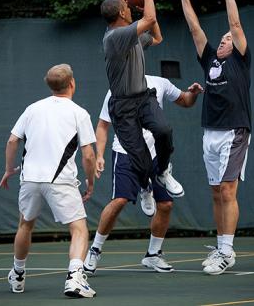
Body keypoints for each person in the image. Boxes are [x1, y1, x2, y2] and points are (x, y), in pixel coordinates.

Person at [83, 75, 203, 274]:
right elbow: (103, 125)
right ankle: (95, 249)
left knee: (165, 204)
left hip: (155, 153)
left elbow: (185, 100)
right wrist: (100, 155)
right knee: (119, 200)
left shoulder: (160, 83)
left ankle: (153, 255)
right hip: (126, 152)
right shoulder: (116, 89)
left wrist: (194, 93)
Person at [175, 0, 251, 275]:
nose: (224, 37)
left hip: (235, 130)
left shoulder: (241, 60)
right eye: (222, 37)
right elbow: (195, 29)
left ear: (235, 45)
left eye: (228, 38)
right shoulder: (211, 60)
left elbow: (234, 22)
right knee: (216, 191)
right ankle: (221, 247)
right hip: (210, 132)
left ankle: (228, 251)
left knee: (228, 191)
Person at [0, 64, 97, 297]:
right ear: (72, 83)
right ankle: (74, 279)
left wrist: (8, 169)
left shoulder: (32, 109)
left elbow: (13, 141)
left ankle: (18, 274)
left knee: (25, 225)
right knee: (79, 229)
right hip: (60, 180)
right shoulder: (79, 112)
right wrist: (90, 182)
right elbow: (89, 154)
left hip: (30, 179)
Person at [102, 0, 183, 197]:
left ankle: (164, 171)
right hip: (123, 107)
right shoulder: (115, 38)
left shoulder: (132, 34)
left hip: (142, 98)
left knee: (164, 131)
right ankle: (146, 187)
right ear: (120, 12)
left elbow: (157, 37)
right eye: (125, 4)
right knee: (140, 157)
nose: (129, 4)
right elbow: (148, 19)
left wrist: (147, 11)